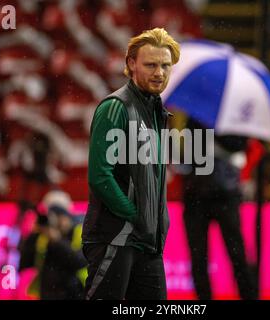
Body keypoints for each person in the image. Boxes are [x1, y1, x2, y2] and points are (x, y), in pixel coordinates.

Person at [81, 28, 180, 300]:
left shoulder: (156, 110)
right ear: (131, 64)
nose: (159, 72)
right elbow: (100, 176)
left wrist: (158, 221)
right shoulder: (115, 107)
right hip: (116, 238)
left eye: (165, 65)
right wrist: (135, 216)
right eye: (150, 64)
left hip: (146, 242)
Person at [182, 118, 258, 300]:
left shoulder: (234, 118)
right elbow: (189, 152)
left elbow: (240, 145)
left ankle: (248, 295)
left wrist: (217, 132)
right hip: (197, 195)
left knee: (237, 255)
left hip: (225, 194)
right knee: (198, 258)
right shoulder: (196, 117)